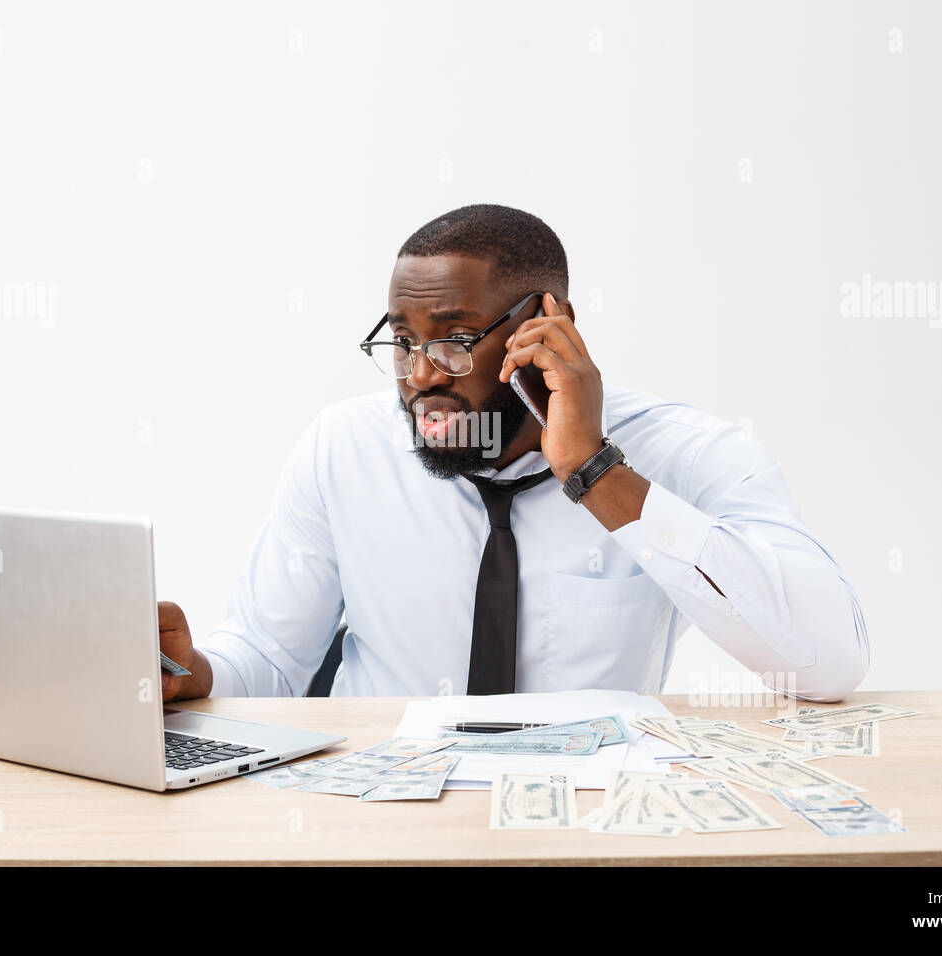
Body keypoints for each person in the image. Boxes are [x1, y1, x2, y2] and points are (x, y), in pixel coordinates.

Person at [159, 204, 868, 702]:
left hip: (579, 827)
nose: (422, 376)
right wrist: (190, 671)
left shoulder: (687, 452)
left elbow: (826, 664)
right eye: (402, 341)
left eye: (455, 339)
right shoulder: (343, 447)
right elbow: (271, 663)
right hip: (380, 822)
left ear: (544, 327)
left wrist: (596, 474)